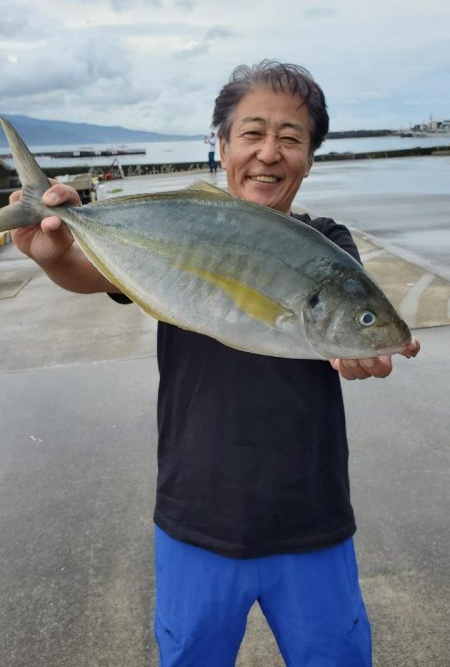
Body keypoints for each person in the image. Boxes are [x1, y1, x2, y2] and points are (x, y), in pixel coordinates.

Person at [9, 60, 420, 666]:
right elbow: (88, 273)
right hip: (195, 516)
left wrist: (366, 347)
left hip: (311, 516)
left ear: (310, 156)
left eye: (291, 138)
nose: (269, 153)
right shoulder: (181, 224)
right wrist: (53, 251)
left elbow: (357, 324)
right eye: (252, 133)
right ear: (222, 145)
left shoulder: (328, 247)